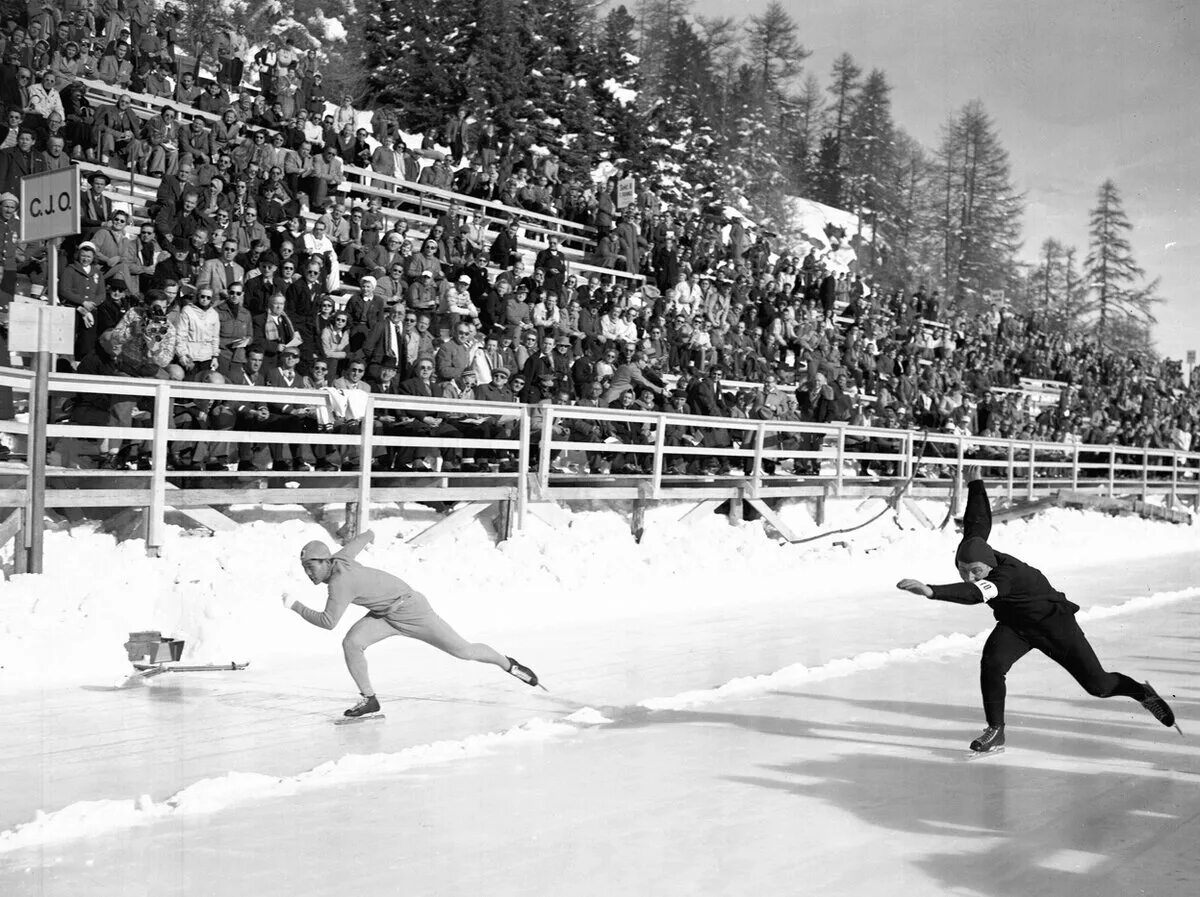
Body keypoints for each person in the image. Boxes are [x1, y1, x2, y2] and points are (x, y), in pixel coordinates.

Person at [895, 467, 1179, 754]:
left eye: (976, 571)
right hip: (1016, 626)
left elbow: (974, 594)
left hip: (1053, 625)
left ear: (989, 565)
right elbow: (978, 522)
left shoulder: (1006, 577)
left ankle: (1142, 693)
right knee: (992, 664)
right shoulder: (977, 549)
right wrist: (976, 483)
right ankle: (996, 731)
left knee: (1099, 686)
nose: (970, 576)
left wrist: (934, 591)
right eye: (963, 570)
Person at [285, 531, 543, 717]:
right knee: (352, 643)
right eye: (304, 568)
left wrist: (295, 606)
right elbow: (359, 541)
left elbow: (328, 622)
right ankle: (370, 699)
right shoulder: (340, 559)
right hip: (384, 615)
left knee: (463, 651)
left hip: (412, 610)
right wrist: (371, 535)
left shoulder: (340, 583)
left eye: (311, 566)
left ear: (325, 561)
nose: (309, 573)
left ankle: (508, 664)